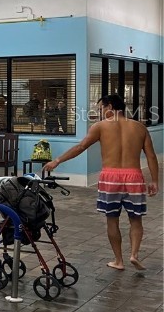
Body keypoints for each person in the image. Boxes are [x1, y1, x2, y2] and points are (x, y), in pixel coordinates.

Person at [43, 94, 158, 272]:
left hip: (110, 177)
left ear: (109, 106)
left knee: (112, 220)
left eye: (100, 108)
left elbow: (80, 147)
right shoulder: (140, 127)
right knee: (136, 219)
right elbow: (151, 156)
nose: (99, 112)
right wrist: (155, 180)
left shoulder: (100, 126)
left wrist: (57, 160)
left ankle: (118, 260)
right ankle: (134, 254)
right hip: (134, 177)